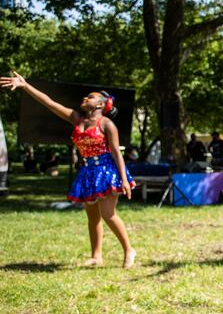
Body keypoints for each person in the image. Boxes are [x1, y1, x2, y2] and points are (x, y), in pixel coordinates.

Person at [2, 72, 136, 267]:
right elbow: (49, 102)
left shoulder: (107, 124)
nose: (85, 98)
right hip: (87, 171)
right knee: (92, 216)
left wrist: (124, 179)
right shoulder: (77, 119)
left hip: (107, 170)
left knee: (108, 214)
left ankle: (129, 249)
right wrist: (25, 86)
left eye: (90, 97)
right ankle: (96, 256)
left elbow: (117, 153)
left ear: (99, 105)